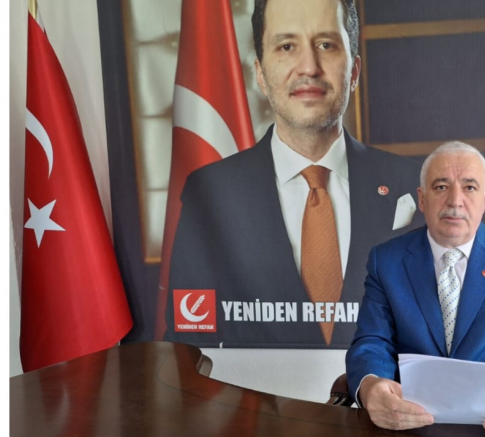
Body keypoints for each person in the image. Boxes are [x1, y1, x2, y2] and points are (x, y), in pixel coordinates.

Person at [164, 0, 423, 348]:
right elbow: (188, 345)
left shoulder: (416, 186)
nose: (309, 67)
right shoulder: (208, 195)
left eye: (326, 45)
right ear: (260, 74)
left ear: (355, 71)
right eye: (287, 46)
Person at [345, 142, 485, 436]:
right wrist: (370, 387)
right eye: (441, 187)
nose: (455, 200)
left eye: (469, 187)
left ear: (484, 199)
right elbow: (372, 343)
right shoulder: (386, 261)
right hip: (411, 426)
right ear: (422, 199)